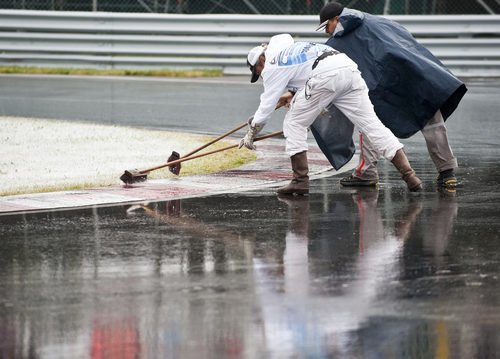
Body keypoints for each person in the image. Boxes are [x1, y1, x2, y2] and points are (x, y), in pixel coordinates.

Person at [238, 33, 422, 195]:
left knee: (293, 123)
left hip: (326, 76)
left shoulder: (271, 65)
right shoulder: (290, 49)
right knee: (373, 125)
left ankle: (300, 181)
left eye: (257, 72)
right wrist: (293, 95)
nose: (260, 76)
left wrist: (251, 133)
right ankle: (410, 175)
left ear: (261, 60)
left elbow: (266, 106)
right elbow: (305, 70)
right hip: (348, 69)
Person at [315, 2, 467, 188]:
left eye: (326, 26)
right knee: (431, 120)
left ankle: (366, 173)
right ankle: (447, 172)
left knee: (369, 122)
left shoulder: (337, 43)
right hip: (413, 74)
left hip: (383, 86)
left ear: (336, 19)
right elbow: (405, 38)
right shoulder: (376, 21)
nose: (326, 32)